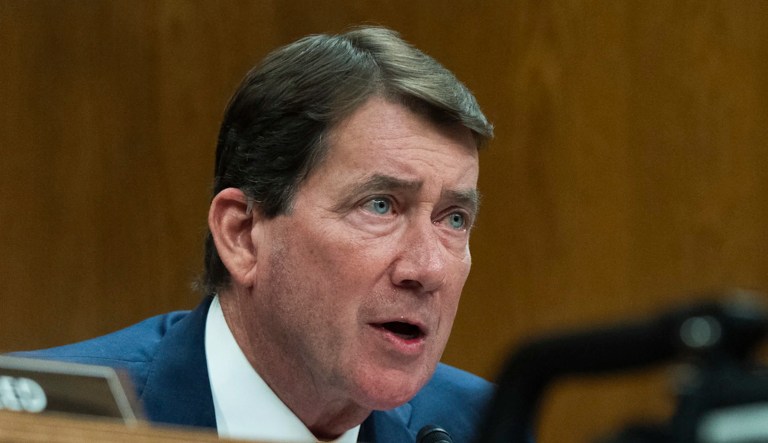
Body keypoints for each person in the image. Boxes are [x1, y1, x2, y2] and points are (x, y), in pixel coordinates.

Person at [16, 26, 495, 442]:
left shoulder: (480, 425)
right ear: (242, 236)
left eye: (453, 218)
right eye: (379, 206)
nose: (428, 268)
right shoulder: (39, 418)